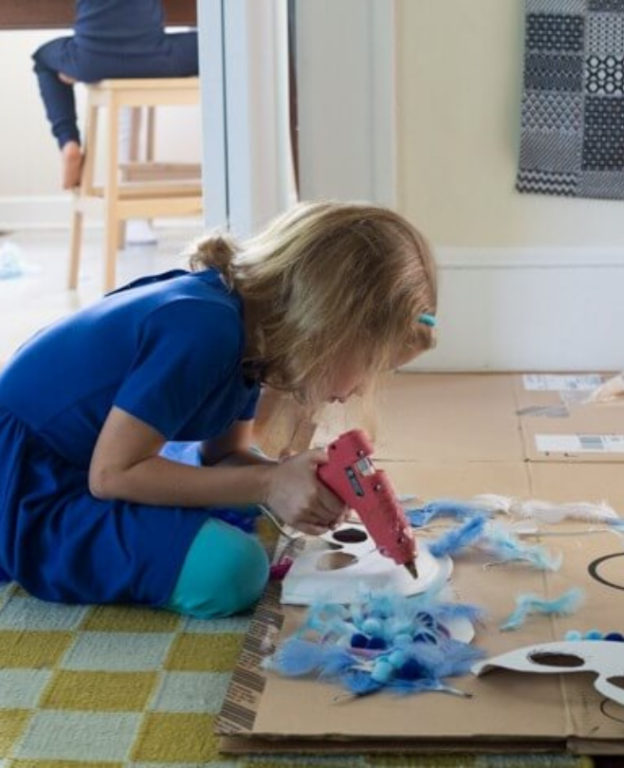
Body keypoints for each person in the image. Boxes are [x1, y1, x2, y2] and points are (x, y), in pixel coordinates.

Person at [0, 201, 438, 618]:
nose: (362, 390)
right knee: (235, 570)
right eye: (370, 366)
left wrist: (293, 480)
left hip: (81, 462)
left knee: (245, 503)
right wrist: (269, 483)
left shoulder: (250, 332)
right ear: (330, 324)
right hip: (27, 488)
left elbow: (222, 456)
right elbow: (111, 475)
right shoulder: (205, 331)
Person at [32, 0, 198, 189]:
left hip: (90, 61)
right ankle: (227, 172)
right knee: (217, 46)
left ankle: (68, 141)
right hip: (154, 59)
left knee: (43, 60)